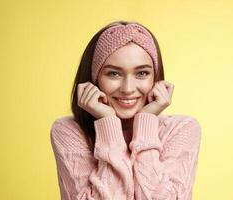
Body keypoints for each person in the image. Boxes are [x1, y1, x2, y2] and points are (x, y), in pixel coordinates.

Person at [50, 21, 201, 200]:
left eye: (142, 73)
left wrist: (146, 123)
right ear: (94, 79)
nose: (128, 88)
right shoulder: (69, 131)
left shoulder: (182, 129)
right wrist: (108, 123)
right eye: (114, 73)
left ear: (156, 77)